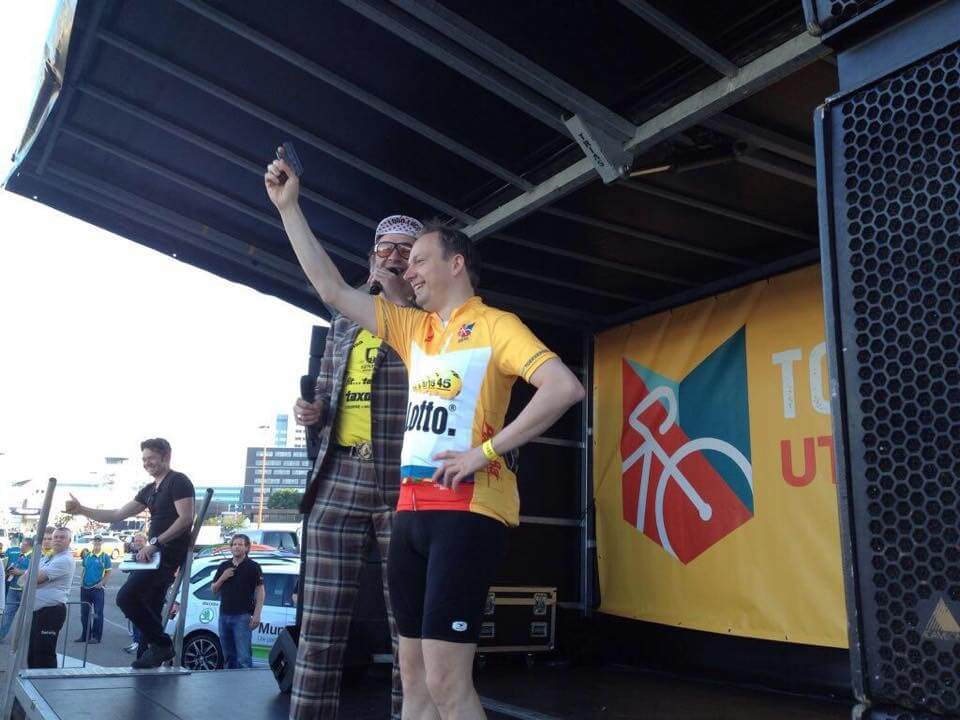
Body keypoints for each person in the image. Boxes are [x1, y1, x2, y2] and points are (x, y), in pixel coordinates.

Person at [266, 155, 584, 719]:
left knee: (445, 680)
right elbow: (333, 290)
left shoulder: (496, 325)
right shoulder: (416, 330)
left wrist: (485, 452)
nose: (406, 271)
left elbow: (563, 387)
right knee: (411, 678)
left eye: (416, 260)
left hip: (467, 513)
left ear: (455, 263)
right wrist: (290, 209)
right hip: (410, 508)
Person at [288, 213, 419, 720]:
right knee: (318, 628)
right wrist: (312, 412)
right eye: (384, 248)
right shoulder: (344, 317)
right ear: (370, 256)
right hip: (338, 474)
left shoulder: (433, 318)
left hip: (402, 480)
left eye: (405, 250)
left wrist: (402, 299)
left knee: (406, 627)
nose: (392, 256)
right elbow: (325, 386)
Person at [65, 438, 195, 668]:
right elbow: (117, 514)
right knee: (151, 608)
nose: (147, 463)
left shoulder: (178, 481)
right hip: (153, 555)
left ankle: (163, 646)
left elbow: (185, 519)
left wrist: (155, 542)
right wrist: (83, 510)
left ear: (166, 457)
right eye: (144, 459)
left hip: (165, 554)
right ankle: (147, 658)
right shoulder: (150, 489)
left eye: (151, 458)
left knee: (126, 597)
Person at [210, 534, 264, 669]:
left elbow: (260, 591)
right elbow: (214, 589)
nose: (236, 547)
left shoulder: (253, 567)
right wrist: (223, 577)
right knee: (228, 657)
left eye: (240, 544)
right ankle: (230, 688)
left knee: (243, 658)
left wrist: (257, 615)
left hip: (242, 617)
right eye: (234, 544)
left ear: (246, 547)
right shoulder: (224, 566)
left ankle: (244, 689)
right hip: (224, 616)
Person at [29, 527, 76, 668]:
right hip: (38, 611)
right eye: (55, 537)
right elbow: (25, 578)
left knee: (44, 652)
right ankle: (34, 683)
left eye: (62, 537)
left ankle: (46, 685)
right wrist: (31, 575)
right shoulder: (48, 558)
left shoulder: (65, 560)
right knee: (33, 650)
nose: (57, 540)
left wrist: (32, 575)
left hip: (51, 612)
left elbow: (35, 578)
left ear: (69, 541)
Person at [76, 535, 112, 644]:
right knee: (84, 613)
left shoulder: (105, 557)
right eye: (95, 541)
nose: (97, 543)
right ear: (92, 542)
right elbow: (84, 569)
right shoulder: (87, 556)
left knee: (97, 613)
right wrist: (81, 581)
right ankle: (85, 635)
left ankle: (96, 637)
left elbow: (108, 572)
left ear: (102, 543)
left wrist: (102, 583)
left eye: (99, 541)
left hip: (97, 589)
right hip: (85, 588)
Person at [0, 538, 34, 642]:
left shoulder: (35, 557)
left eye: (23, 545)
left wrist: (20, 572)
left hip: (26, 591)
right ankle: (1, 636)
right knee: (7, 614)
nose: (21, 546)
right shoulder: (19, 555)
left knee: (28, 616)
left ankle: (29, 639)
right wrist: (9, 570)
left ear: (29, 546)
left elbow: (36, 572)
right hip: (13, 588)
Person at [123, 532, 148, 653]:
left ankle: (141, 642)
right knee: (134, 617)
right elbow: (125, 569)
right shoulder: (133, 554)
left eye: (140, 541)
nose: (137, 543)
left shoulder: (149, 554)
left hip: (143, 591)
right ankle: (136, 641)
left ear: (145, 542)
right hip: (133, 590)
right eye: (136, 541)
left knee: (141, 618)